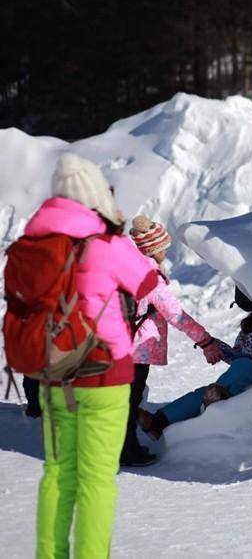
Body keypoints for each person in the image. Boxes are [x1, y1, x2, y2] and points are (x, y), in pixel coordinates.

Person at [25, 153, 161, 558]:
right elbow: (147, 282)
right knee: (96, 479)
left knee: (58, 474)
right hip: (104, 375)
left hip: (56, 371)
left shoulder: (38, 240)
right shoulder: (108, 242)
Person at [120, 215, 223, 466]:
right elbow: (176, 315)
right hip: (135, 350)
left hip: (113, 344)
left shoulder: (125, 268)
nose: (166, 251)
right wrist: (206, 341)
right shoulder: (149, 278)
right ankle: (126, 452)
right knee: (128, 403)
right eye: (163, 246)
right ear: (154, 248)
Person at [137, 287, 252, 440]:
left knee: (243, 367)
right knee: (202, 393)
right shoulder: (249, 326)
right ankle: (157, 421)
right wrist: (216, 346)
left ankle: (217, 398)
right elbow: (237, 357)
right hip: (243, 377)